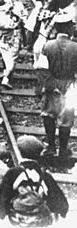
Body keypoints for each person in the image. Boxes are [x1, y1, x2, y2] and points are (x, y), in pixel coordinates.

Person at [0, 134, 68, 226]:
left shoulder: (13, 173)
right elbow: (61, 204)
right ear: (38, 154)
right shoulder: (45, 175)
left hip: (17, 221)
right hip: (40, 222)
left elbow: (2, 200)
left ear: (19, 152)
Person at [39, 12, 77, 160]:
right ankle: (63, 149)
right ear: (69, 29)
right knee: (66, 119)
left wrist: (50, 85)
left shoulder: (47, 46)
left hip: (51, 86)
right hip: (69, 87)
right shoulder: (76, 47)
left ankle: (50, 147)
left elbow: (41, 69)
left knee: (48, 115)